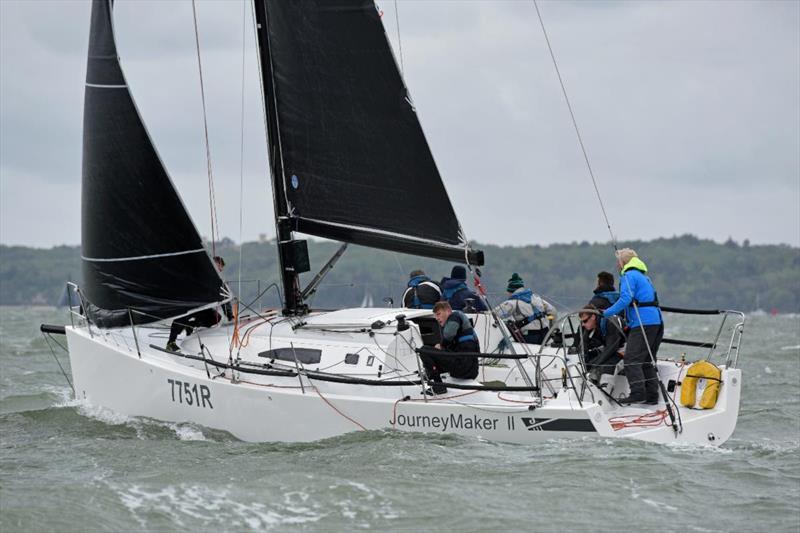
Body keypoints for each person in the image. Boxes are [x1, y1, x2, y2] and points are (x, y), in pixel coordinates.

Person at [603, 248, 663, 404]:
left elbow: (625, 299)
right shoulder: (643, 276)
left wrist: (606, 313)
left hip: (643, 323)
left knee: (631, 359)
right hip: (656, 322)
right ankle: (652, 396)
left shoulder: (628, 276)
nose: (617, 264)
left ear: (623, 262)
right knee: (647, 359)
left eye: (618, 261)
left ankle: (638, 393)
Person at [166, 256, 232, 351]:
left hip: (202, 308)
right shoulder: (199, 272)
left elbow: (224, 297)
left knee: (216, 317)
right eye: (220, 266)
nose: (221, 269)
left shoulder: (217, 281)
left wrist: (230, 316)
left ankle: (191, 325)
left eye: (221, 268)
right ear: (214, 264)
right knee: (181, 317)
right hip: (189, 304)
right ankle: (171, 342)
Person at [419, 301, 480, 394]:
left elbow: (448, 335)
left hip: (463, 366)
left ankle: (439, 386)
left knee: (424, 350)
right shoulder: (460, 324)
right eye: (435, 316)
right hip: (470, 369)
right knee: (433, 356)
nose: (437, 318)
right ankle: (429, 374)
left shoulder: (455, 316)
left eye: (438, 314)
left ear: (448, 311)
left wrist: (440, 345)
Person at [494, 273, 556, 344]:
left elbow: (495, 313)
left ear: (511, 291)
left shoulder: (513, 302)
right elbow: (553, 311)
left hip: (529, 337)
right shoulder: (537, 298)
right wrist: (552, 329)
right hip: (545, 336)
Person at [575, 303, 624, 381]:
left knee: (605, 365)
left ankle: (605, 387)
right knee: (588, 360)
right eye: (582, 322)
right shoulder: (593, 323)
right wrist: (583, 358)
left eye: (585, 321)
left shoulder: (610, 321)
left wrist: (595, 364)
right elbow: (584, 344)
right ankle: (587, 381)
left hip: (624, 347)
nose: (583, 324)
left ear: (593, 317)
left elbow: (611, 348)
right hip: (609, 345)